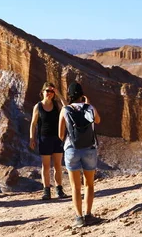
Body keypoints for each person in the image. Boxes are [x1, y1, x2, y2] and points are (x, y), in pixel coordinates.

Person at [59, 82, 101, 228]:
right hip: (89, 149)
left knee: (75, 186)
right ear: (82, 94)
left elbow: (60, 134)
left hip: (71, 149)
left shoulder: (65, 110)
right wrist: (88, 104)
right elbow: (98, 120)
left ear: (69, 95)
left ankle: (79, 218)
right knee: (89, 184)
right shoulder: (89, 108)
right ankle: (88, 215)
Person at [29, 82, 69, 200]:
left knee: (58, 165)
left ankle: (59, 190)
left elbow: (67, 107)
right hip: (44, 139)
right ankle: (46, 191)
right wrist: (32, 138)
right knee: (45, 166)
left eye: (52, 91)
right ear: (43, 92)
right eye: (47, 91)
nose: (49, 93)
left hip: (57, 138)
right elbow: (33, 123)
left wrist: (59, 95)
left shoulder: (56, 104)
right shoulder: (38, 106)